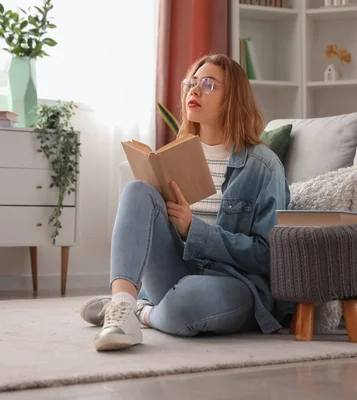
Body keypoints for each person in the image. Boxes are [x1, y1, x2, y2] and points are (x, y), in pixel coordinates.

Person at [80, 53, 291, 351]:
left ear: (233, 97)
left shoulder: (263, 166)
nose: (193, 90)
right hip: (175, 271)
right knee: (137, 189)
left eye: (208, 84)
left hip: (232, 283)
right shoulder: (175, 155)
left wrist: (194, 229)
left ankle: (141, 311)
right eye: (191, 83)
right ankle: (121, 308)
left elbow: (268, 255)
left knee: (188, 298)